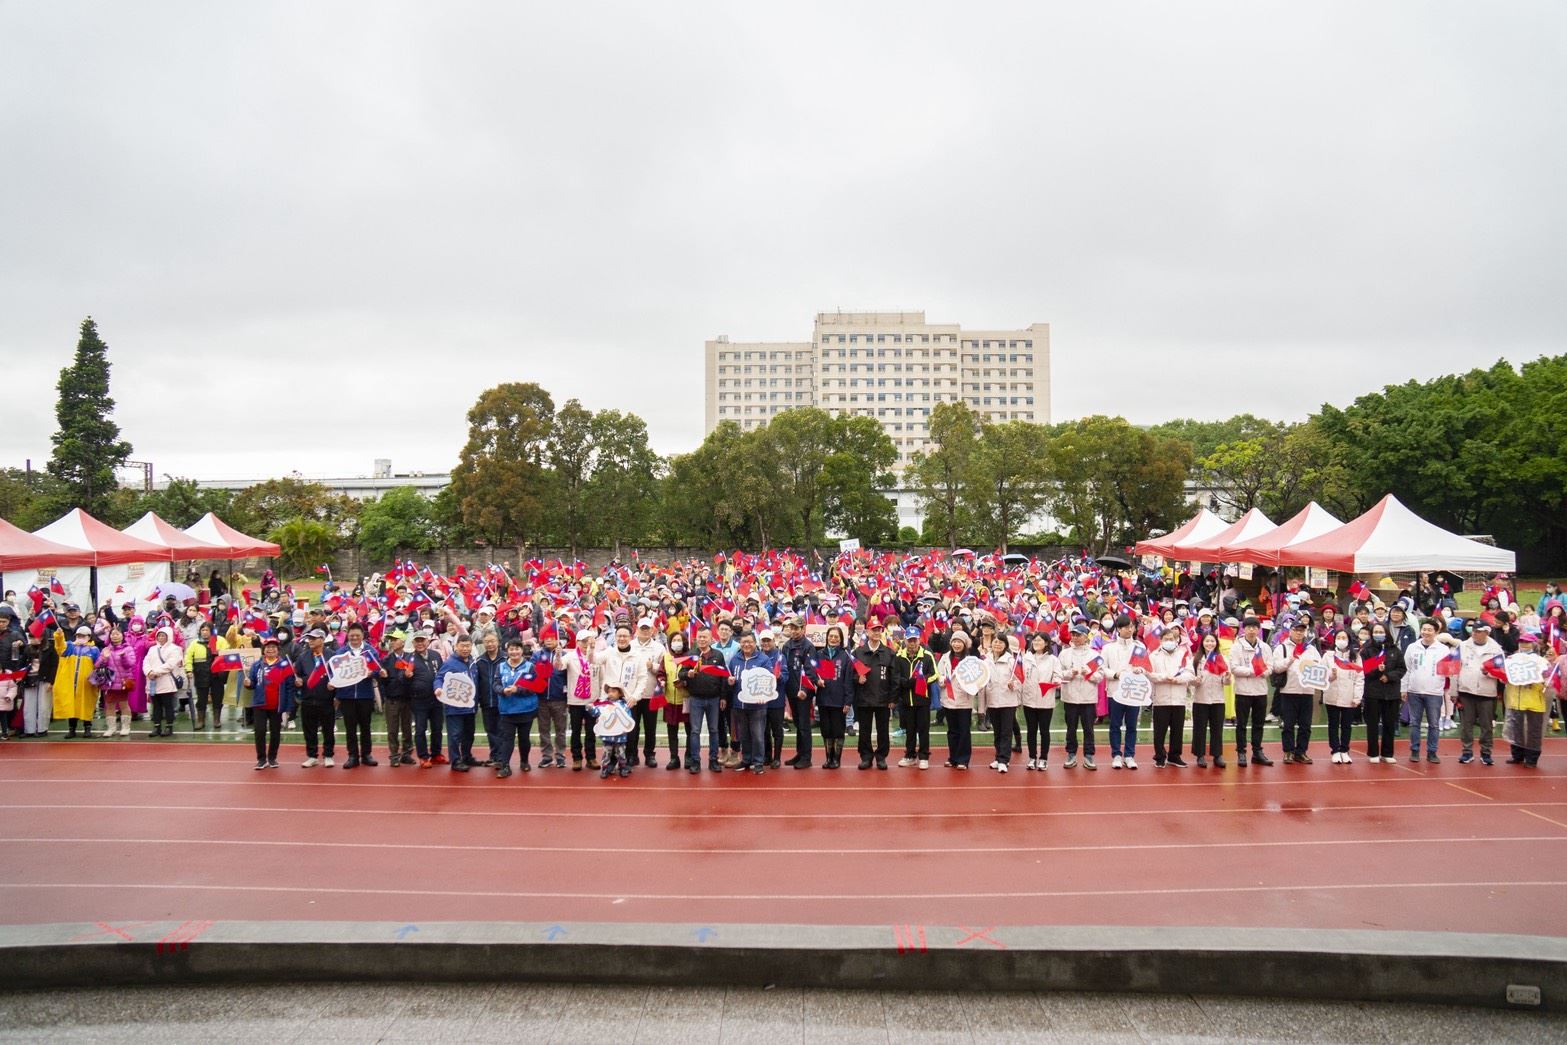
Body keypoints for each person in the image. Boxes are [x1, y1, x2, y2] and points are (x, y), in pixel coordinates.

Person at [329, 622, 381, 768]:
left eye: (357, 635)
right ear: (348, 636)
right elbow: (334, 672)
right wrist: (334, 688)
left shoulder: (370, 651)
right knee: (350, 727)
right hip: (347, 696)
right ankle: (352, 756)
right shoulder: (341, 653)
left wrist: (372, 673)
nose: (355, 638)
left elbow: (378, 669)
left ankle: (366, 754)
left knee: (365, 726)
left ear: (362, 636)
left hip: (365, 695)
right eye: (352, 636)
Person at [1455, 620, 1504, 766]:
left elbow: (1502, 672)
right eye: (1473, 631)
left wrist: (1489, 673)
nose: (1474, 634)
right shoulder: (1463, 646)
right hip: (1466, 690)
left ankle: (1486, 752)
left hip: (1487, 692)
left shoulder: (1496, 649)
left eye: (1478, 631)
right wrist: (1453, 691)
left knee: (1486, 726)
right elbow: (1454, 669)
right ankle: (1467, 751)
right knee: (1466, 725)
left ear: (1486, 633)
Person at [492, 639, 545, 777]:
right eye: (511, 649)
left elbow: (535, 686)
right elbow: (495, 684)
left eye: (517, 649)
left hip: (526, 710)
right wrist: (502, 690)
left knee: (524, 738)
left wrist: (518, 690)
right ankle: (505, 766)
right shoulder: (501, 667)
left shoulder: (530, 667)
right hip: (506, 710)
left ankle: (524, 761)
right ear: (507, 651)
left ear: (522, 650)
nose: (514, 652)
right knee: (507, 739)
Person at [243, 636, 296, 770]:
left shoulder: (285, 665)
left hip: (277, 706)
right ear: (263, 650)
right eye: (268, 647)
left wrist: (289, 707)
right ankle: (261, 759)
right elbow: (253, 684)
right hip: (260, 704)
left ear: (278, 650)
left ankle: (272, 758)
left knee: (275, 732)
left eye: (273, 647)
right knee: (260, 731)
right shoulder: (257, 665)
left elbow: (290, 687)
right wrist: (248, 684)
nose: (270, 649)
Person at [727, 630, 776, 774]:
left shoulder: (763, 659)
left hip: (758, 705)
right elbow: (730, 677)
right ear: (740, 644)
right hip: (739, 704)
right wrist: (730, 682)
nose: (746, 644)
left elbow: (769, 680)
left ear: (755, 643)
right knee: (744, 735)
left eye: (749, 642)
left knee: (758, 735)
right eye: (743, 642)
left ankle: (758, 762)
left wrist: (763, 695)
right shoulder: (735, 659)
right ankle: (746, 759)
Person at [681, 627, 729, 773]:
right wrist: (688, 674)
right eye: (700, 637)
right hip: (696, 699)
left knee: (714, 730)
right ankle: (695, 761)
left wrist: (723, 696)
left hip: (714, 699)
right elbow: (681, 673)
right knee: (695, 731)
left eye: (705, 637)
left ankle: (713, 760)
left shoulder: (718, 655)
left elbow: (723, 677)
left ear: (710, 638)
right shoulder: (691, 655)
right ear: (696, 638)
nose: (702, 639)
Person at [1101, 615, 1146, 770]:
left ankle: (1129, 755)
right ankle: (1116, 755)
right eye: (1126, 627)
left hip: (1133, 692)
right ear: (1119, 629)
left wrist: (1141, 670)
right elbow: (1102, 668)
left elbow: (1145, 666)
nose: (1130, 629)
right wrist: (1115, 674)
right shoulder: (1109, 648)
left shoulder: (1139, 646)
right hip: (1115, 691)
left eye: (1131, 627)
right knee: (1115, 724)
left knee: (1132, 725)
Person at [1401, 620, 1449, 764]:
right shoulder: (1412, 647)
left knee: (1434, 724)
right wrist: (1403, 688)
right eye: (1424, 629)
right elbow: (1406, 669)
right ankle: (1414, 750)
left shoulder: (1443, 649)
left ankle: (1432, 752)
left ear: (1436, 632)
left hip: (1434, 692)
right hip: (1414, 691)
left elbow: (1448, 671)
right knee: (1414, 723)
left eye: (1429, 630)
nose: (1426, 632)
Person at [1273, 619, 1320, 764]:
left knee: (1306, 725)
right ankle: (1288, 751)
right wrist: (1290, 659)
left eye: (1302, 630)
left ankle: (1301, 752)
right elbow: (1276, 668)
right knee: (1288, 724)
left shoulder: (1311, 649)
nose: (1299, 633)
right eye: (1296, 630)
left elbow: (1319, 666)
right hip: (1289, 690)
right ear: (1290, 631)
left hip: (1307, 691)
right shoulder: (1282, 648)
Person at [851, 620, 896, 770]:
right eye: (873, 630)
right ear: (867, 632)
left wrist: (893, 698)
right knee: (864, 731)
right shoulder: (858, 653)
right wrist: (857, 679)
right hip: (864, 698)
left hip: (883, 698)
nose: (876, 633)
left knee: (883, 730)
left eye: (879, 630)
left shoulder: (889, 653)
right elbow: (850, 674)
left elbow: (894, 678)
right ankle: (866, 757)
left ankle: (881, 757)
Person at [1360, 620, 1406, 764]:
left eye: (1381, 632)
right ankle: (1373, 752)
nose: (1378, 634)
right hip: (1373, 692)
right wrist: (1376, 670)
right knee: (1372, 724)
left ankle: (1387, 753)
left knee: (1389, 724)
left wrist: (1389, 676)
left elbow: (1402, 669)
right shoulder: (1366, 650)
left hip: (1391, 693)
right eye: (1376, 632)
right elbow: (1364, 669)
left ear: (1386, 633)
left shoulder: (1394, 650)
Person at [1057, 624, 1102, 770]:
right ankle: (1071, 754)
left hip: (1088, 698)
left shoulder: (1094, 655)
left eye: (1078, 635)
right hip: (1070, 697)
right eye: (1073, 635)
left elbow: (1100, 676)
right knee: (1071, 728)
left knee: (1088, 728)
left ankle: (1089, 755)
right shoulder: (1064, 654)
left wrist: (1088, 673)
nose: (1075, 638)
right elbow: (1058, 673)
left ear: (1086, 637)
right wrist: (1071, 673)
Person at [1148, 630, 1194, 768]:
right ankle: (1160, 756)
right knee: (1159, 730)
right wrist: (1164, 677)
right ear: (1161, 640)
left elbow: (1190, 673)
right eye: (1166, 639)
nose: (1169, 641)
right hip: (1161, 699)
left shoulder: (1183, 654)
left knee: (1177, 730)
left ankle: (1174, 756)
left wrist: (1178, 679)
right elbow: (1150, 674)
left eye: (1172, 639)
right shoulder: (1154, 656)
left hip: (1178, 698)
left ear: (1177, 640)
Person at [1503, 633, 1550, 766]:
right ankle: (1517, 755)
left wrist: (1541, 681)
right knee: (1516, 729)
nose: (1524, 644)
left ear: (1534, 644)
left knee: (1533, 731)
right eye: (1522, 642)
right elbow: (1504, 676)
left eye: (1527, 642)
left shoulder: (1541, 661)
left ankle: (1532, 759)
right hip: (1515, 701)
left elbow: (1548, 679)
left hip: (1534, 702)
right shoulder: (1512, 659)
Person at [293, 628, 337, 768]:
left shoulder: (332, 656)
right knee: (309, 729)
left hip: (326, 699)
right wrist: (298, 681)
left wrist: (334, 686)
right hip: (308, 698)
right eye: (309, 638)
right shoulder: (303, 657)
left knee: (328, 729)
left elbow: (338, 675)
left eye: (314, 638)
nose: (310, 641)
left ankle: (328, 755)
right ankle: (312, 756)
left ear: (322, 640)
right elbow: (296, 674)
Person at [895, 625, 937, 770]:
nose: (912, 643)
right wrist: (905, 682)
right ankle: (910, 755)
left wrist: (921, 681)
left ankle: (924, 756)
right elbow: (896, 676)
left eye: (915, 640)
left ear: (919, 640)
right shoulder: (899, 657)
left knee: (923, 729)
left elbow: (935, 674)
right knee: (910, 730)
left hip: (922, 700)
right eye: (909, 640)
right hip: (906, 700)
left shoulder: (927, 656)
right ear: (905, 640)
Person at [814, 625, 855, 770]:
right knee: (826, 731)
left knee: (838, 732)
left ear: (841, 639)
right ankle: (828, 758)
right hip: (824, 699)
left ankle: (836, 759)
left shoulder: (845, 656)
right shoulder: (820, 654)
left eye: (836, 637)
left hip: (839, 701)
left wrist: (848, 701)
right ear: (826, 638)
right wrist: (816, 681)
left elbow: (848, 680)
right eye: (830, 636)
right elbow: (812, 672)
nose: (833, 639)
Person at [937, 630, 979, 770]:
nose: (956, 644)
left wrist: (970, 686)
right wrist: (942, 680)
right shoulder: (945, 658)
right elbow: (939, 674)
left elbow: (976, 679)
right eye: (954, 641)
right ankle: (953, 757)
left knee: (964, 731)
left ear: (965, 644)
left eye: (959, 642)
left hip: (964, 701)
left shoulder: (970, 660)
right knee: (952, 730)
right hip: (948, 699)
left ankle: (963, 759)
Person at [436, 634, 478, 772]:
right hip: (454, 707)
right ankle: (455, 760)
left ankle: (466, 756)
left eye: (468, 646)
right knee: (455, 735)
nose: (465, 649)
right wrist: (438, 688)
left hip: (470, 707)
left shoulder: (472, 661)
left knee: (469, 734)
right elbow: (439, 677)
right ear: (456, 647)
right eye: (462, 646)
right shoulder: (450, 663)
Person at [1019, 631, 1060, 771]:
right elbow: (1020, 676)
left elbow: (1057, 675)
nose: (1036, 643)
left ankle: (1043, 758)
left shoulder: (1053, 660)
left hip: (1045, 700)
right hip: (1029, 700)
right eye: (1034, 640)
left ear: (1046, 643)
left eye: (1039, 640)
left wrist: (1056, 680)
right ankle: (1032, 757)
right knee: (1031, 730)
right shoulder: (1026, 658)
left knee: (1044, 731)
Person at [1323, 629, 1364, 763]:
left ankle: (1344, 750)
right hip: (1332, 695)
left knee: (1346, 725)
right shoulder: (1328, 656)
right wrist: (1331, 676)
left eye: (1344, 637)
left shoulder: (1355, 657)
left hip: (1349, 696)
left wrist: (1357, 697)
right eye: (1339, 637)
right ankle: (1335, 750)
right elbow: (1322, 675)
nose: (1341, 640)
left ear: (1349, 640)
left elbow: (1360, 678)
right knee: (1333, 724)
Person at [780, 617, 817, 769]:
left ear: (803, 629)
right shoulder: (786, 645)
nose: (794, 631)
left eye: (796, 628)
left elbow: (811, 670)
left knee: (804, 725)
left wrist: (805, 689)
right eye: (792, 628)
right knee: (797, 723)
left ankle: (806, 757)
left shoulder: (808, 646)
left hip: (803, 692)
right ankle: (800, 753)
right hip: (791, 690)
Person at [982, 633, 1021, 773]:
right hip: (992, 701)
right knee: (997, 732)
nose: (997, 644)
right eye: (995, 642)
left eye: (1000, 642)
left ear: (1006, 645)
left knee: (1006, 732)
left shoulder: (1011, 661)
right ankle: (998, 757)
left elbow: (1020, 680)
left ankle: (1004, 760)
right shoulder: (986, 661)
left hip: (1008, 701)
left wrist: (1013, 685)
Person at [53, 625, 100, 738]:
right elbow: (59, 646)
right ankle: (72, 729)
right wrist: (59, 635)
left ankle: (87, 728)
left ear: (89, 637)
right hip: (71, 683)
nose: (80, 638)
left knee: (87, 705)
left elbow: (98, 665)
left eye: (83, 636)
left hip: (86, 684)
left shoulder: (94, 650)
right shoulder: (70, 646)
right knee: (72, 706)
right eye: (78, 636)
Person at [564, 627, 599, 771]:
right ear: (577, 642)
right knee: (576, 730)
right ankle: (577, 758)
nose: (586, 644)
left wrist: (601, 697)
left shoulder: (597, 656)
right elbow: (559, 666)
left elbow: (601, 677)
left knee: (591, 731)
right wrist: (558, 655)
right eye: (583, 641)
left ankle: (591, 757)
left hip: (592, 700)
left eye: (589, 641)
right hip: (575, 700)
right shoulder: (570, 656)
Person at [408, 631, 446, 767]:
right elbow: (402, 680)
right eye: (417, 641)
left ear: (428, 641)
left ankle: (436, 754)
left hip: (436, 699)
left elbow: (442, 673)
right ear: (413, 643)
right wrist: (406, 676)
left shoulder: (436, 655)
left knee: (437, 728)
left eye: (422, 640)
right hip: (419, 701)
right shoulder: (409, 658)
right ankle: (423, 756)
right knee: (420, 729)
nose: (420, 643)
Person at [379, 630, 416, 766]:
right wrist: (383, 677)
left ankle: (407, 754)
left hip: (407, 698)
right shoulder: (386, 660)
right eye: (391, 640)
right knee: (392, 729)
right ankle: (394, 755)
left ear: (403, 642)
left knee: (407, 728)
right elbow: (382, 682)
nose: (392, 642)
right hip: (392, 699)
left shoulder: (411, 658)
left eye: (395, 640)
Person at [1190, 631, 1227, 768]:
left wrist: (1227, 678)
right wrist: (1195, 681)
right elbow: (1190, 678)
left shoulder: (1221, 658)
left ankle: (1217, 755)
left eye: (1212, 641)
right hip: (1201, 699)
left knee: (1217, 728)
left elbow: (1226, 680)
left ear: (1216, 643)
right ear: (1202, 643)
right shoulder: (1196, 659)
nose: (1210, 643)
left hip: (1218, 699)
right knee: (1199, 728)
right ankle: (1200, 755)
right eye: (1207, 641)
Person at [536, 625, 570, 769]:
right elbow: (534, 673)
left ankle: (560, 756)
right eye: (546, 638)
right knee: (544, 730)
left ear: (558, 639)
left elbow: (569, 677)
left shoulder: (565, 655)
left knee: (560, 730)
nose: (549, 640)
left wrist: (567, 696)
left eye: (552, 638)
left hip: (559, 699)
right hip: (542, 699)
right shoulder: (537, 655)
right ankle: (547, 756)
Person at [96, 625, 139, 737]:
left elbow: (130, 664)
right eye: (112, 634)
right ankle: (111, 728)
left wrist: (124, 656)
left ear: (122, 635)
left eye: (117, 634)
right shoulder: (106, 649)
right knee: (109, 705)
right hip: (109, 682)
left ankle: (125, 727)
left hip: (122, 681)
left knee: (124, 703)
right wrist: (104, 658)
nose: (114, 636)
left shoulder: (128, 648)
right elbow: (97, 665)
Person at [142, 626, 185, 737]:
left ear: (168, 637)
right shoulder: (152, 649)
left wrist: (156, 672)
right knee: (156, 705)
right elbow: (146, 662)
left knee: (168, 705)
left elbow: (170, 664)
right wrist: (149, 672)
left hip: (167, 681)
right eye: (159, 636)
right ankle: (157, 727)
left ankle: (169, 727)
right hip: (153, 681)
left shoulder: (175, 649)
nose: (161, 638)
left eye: (163, 636)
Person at [659, 631, 692, 770]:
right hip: (670, 700)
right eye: (674, 640)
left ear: (684, 642)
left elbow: (695, 676)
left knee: (690, 730)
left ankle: (689, 757)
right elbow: (661, 673)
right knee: (672, 730)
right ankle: (674, 758)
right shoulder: (666, 657)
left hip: (686, 699)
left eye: (679, 640)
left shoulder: (690, 657)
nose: (676, 643)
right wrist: (661, 680)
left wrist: (685, 683)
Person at [183, 621, 225, 731]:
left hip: (217, 674)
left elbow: (227, 654)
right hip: (201, 673)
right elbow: (188, 657)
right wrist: (188, 670)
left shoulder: (220, 640)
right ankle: (201, 720)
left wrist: (219, 652)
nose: (204, 632)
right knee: (201, 698)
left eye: (207, 630)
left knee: (218, 697)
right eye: (203, 630)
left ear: (211, 631)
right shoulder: (195, 643)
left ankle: (217, 719)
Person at [471, 632, 505, 769]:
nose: (490, 644)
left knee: (502, 730)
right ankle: (495, 756)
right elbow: (476, 682)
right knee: (490, 730)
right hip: (486, 702)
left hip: (503, 702)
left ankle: (502, 757)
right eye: (487, 642)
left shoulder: (506, 659)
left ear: (498, 642)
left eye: (492, 641)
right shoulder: (479, 661)